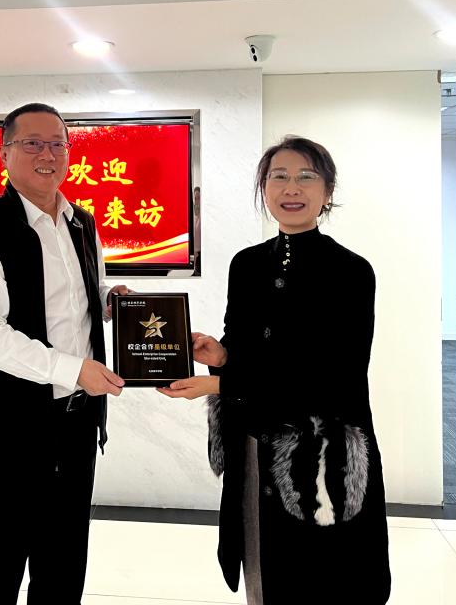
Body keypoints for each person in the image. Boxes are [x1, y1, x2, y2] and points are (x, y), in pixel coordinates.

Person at [159, 136, 391, 604]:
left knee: (325, 580)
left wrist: (221, 382)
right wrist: (220, 355)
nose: (292, 188)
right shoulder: (247, 264)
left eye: (306, 177)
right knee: (264, 573)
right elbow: (246, 346)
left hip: (321, 454)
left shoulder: (351, 270)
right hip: (253, 443)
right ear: (264, 188)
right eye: (278, 177)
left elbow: (337, 375)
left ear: (327, 191)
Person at [0, 102, 129, 605]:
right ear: (5, 153)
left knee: (63, 564)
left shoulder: (82, 223)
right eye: (32, 143)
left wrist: (110, 302)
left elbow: (71, 300)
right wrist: (73, 369)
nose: (47, 154)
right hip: (10, 431)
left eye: (57, 144)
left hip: (77, 423)